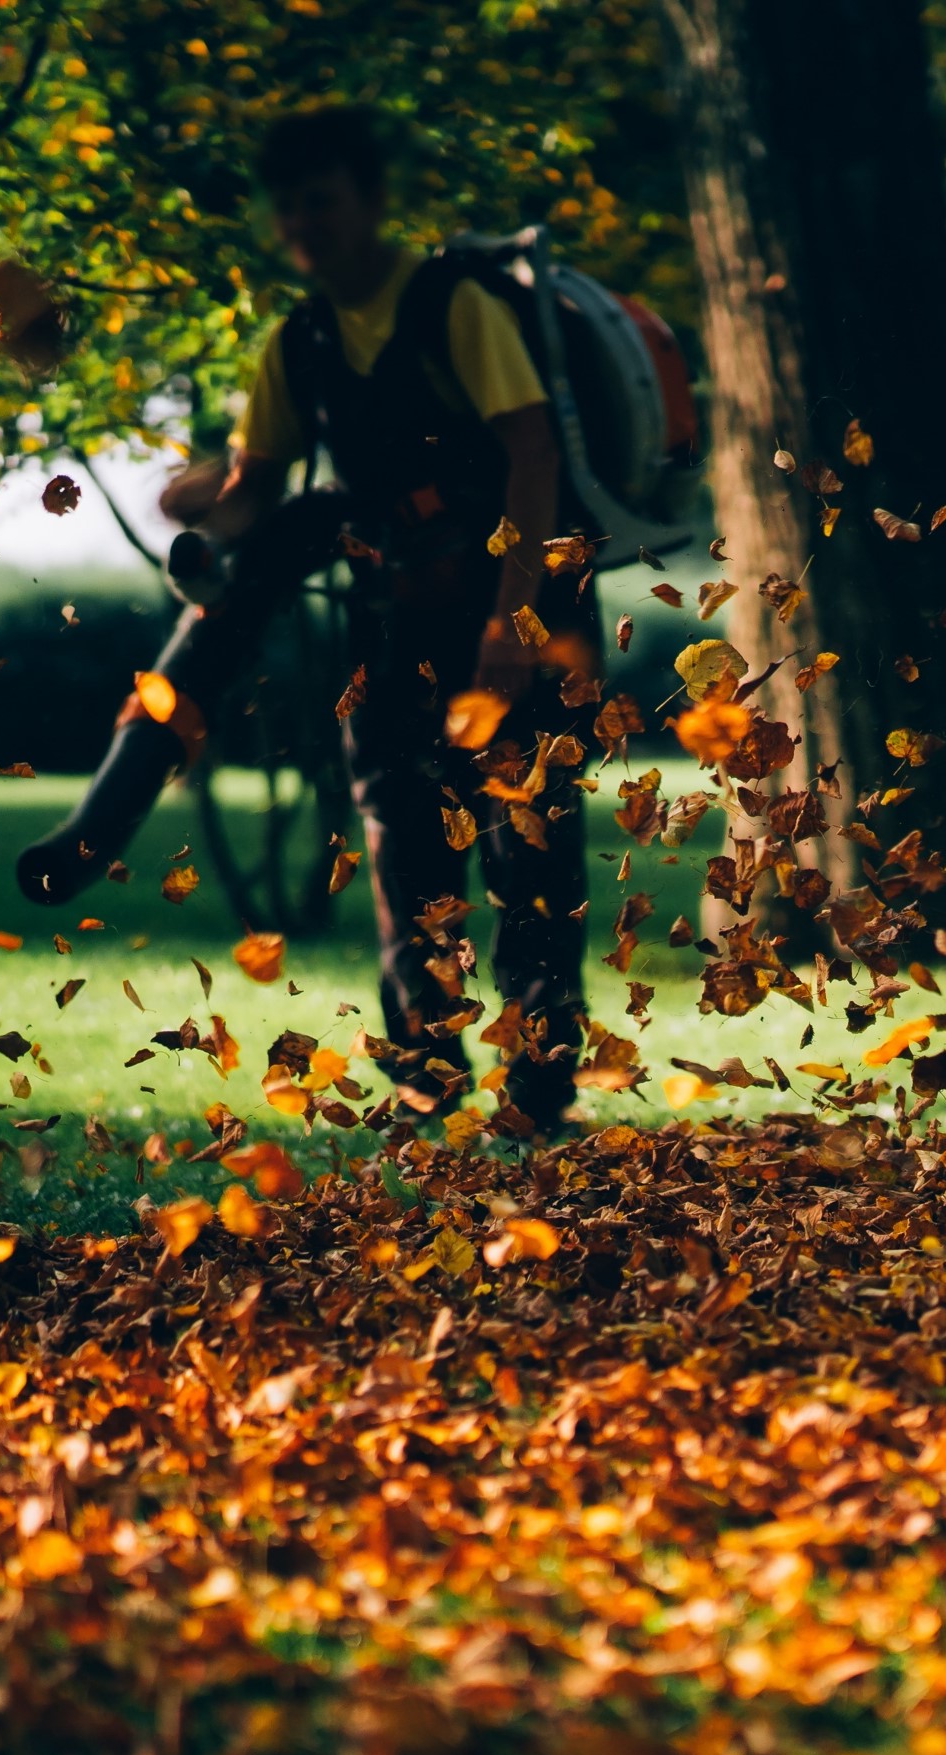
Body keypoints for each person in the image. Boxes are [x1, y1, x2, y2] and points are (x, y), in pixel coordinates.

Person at [165, 105, 595, 1132]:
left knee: (528, 851)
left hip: (520, 610)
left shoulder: (453, 304)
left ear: (369, 202)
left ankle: (537, 1090)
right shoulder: (299, 342)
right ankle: (424, 1073)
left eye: (321, 201)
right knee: (405, 847)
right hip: (395, 629)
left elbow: (531, 456)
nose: (303, 226)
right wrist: (194, 502)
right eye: (288, 210)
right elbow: (251, 492)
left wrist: (511, 624)